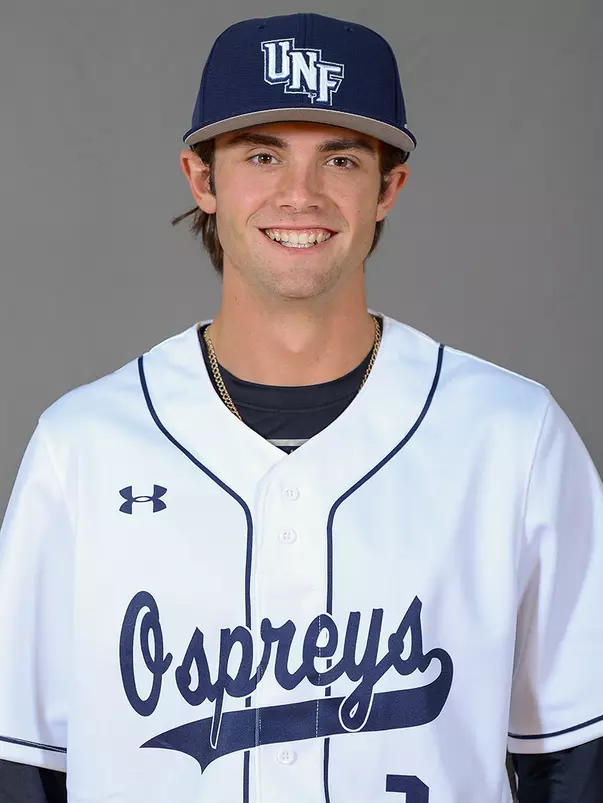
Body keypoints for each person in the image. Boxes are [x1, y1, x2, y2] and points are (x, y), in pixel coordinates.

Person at [0, 12, 602, 803]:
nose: (300, 194)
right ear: (201, 179)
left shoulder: (513, 438)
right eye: (262, 154)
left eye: (340, 158)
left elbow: (574, 761)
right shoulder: (82, 446)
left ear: (388, 187)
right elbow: (24, 764)